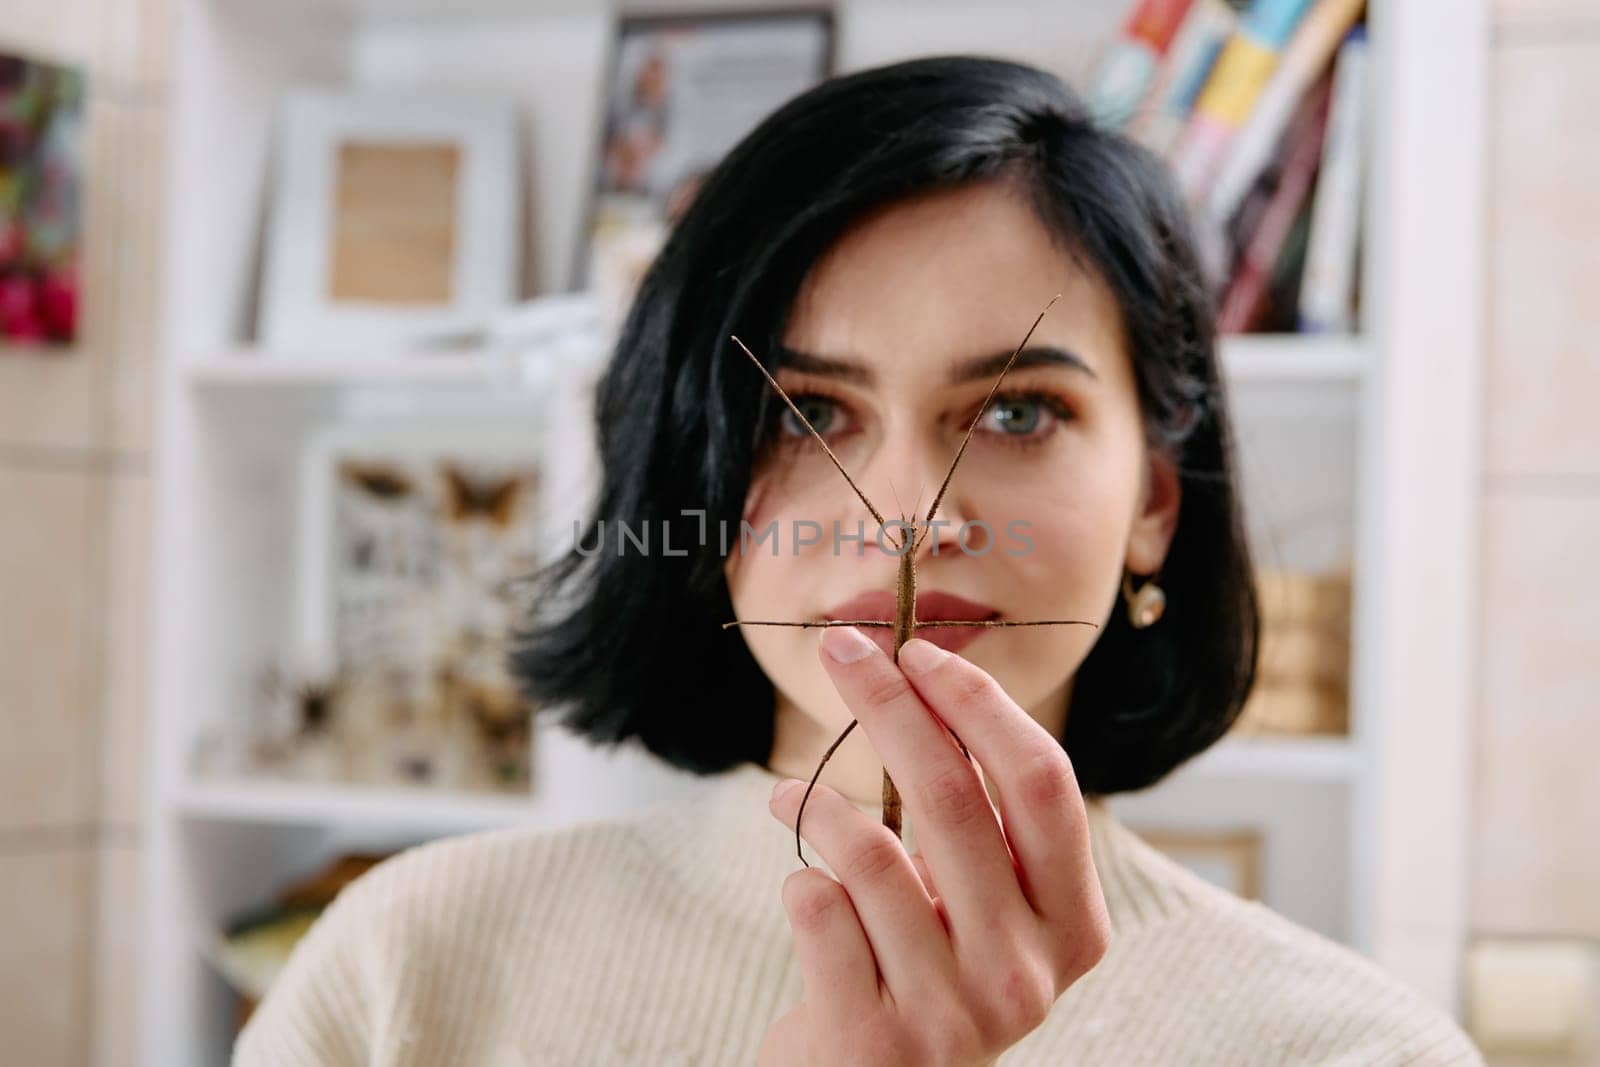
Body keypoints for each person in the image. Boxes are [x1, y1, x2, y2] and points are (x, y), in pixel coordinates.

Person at [233, 56, 1484, 1066]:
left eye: (1015, 413)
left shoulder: (1350, 1047)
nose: (898, 520)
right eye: (804, 413)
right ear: (700, 480)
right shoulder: (406, 967)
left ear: (1153, 500)